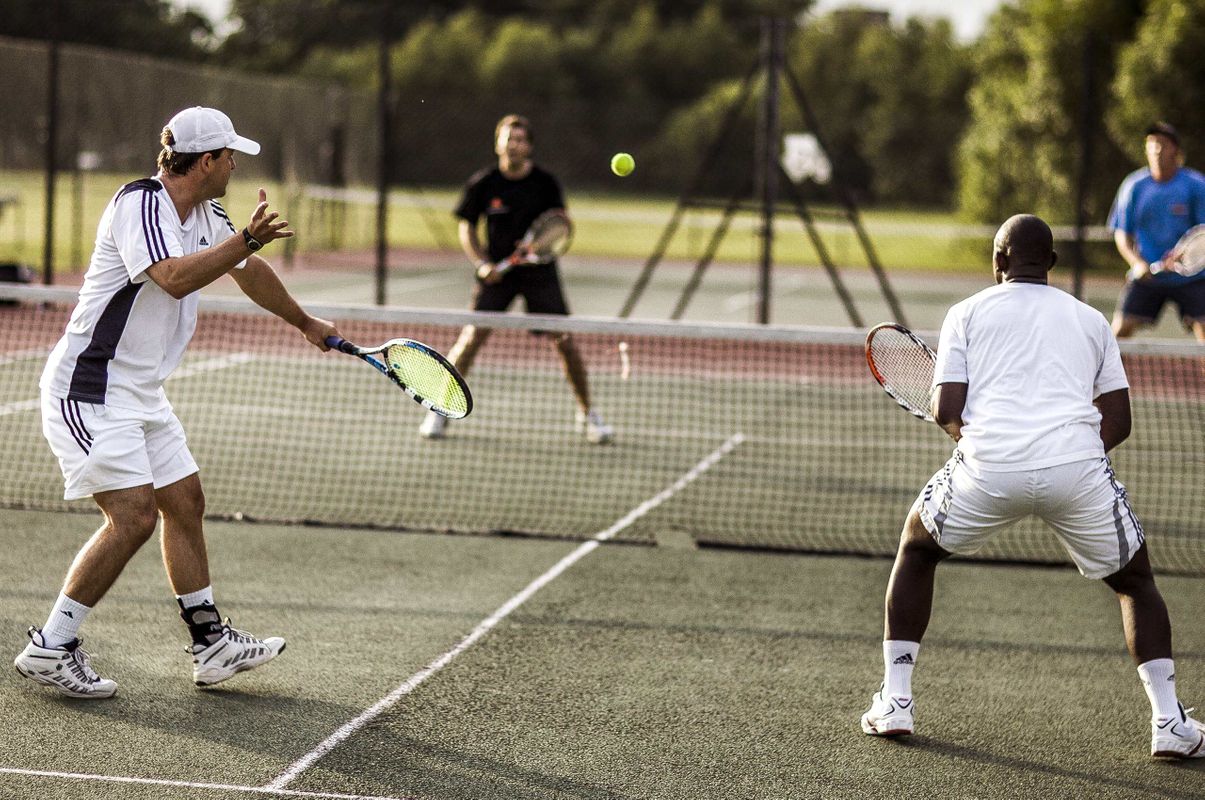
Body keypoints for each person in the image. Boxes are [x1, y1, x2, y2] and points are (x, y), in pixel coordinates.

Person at [13, 106, 340, 698]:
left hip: (140, 392)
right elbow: (172, 277)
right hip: (90, 389)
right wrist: (244, 238)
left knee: (184, 500)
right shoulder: (139, 202)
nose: (236, 164)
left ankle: (210, 643)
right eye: (229, 155)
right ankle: (51, 646)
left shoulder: (207, 213)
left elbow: (248, 270)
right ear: (207, 160)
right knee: (134, 515)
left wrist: (306, 322)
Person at [860, 214, 1203, 759]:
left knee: (917, 549)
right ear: (1051, 264)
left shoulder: (965, 313)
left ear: (998, 263)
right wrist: (1070, 458)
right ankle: (1170, 724)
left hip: (987, 469)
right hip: (1078, 471)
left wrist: (965, 432)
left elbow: (948, 409)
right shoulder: (1091, 320)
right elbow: (1119, 420)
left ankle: (895, 702)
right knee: (1136, 582)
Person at [417, 114, 613, 444]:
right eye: (509, 138)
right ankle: (438, 410)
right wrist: (481, 263)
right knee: (470, 339)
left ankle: (588, 413)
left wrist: (535, 246)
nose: (515, 145)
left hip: (540, 275)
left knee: (565, 342)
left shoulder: (546, 183)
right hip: (497, 275)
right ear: (498, 144)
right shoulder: (483, 183)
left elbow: (558, 224)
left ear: (530, 147)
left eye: (521, 140)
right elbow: (467, 226)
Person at [1108, 121, 1205, 342]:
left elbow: (1203, 233)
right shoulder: (1133, 186)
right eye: (1151, 144)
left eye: (1163, 144)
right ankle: (1100, 378)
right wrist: (1137, 263)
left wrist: (1185, 257)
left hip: (1192, 278)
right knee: (1119, 332)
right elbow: (1122, 235)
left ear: (1176, 151)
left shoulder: (1196, 185)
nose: (1156, 149)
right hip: (1148, 277)